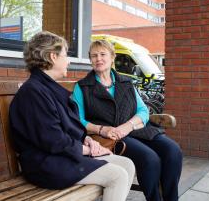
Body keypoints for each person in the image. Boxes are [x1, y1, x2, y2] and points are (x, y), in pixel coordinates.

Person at [9, 31, 135, 201]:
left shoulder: (46, 88)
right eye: (65, 55)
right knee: (117, 176)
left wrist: (88, 140)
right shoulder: (33, 93)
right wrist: (89, 150)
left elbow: (68, 127)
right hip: (46, 164)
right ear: (53, 57)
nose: (68, 60)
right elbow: (53, 140)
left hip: (62, 156)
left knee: (127, 164)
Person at [72, 39, 183, 201]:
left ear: (112, 57)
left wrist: (128, 126)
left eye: (103, 54)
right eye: (94, 56)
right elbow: (77, 120)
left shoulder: (126, 82)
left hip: (136, 130)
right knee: (150, 158)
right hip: (110, 137)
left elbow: (143, 111)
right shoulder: (82, 87)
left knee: (173, 151)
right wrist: (101, 129)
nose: (98, 59)